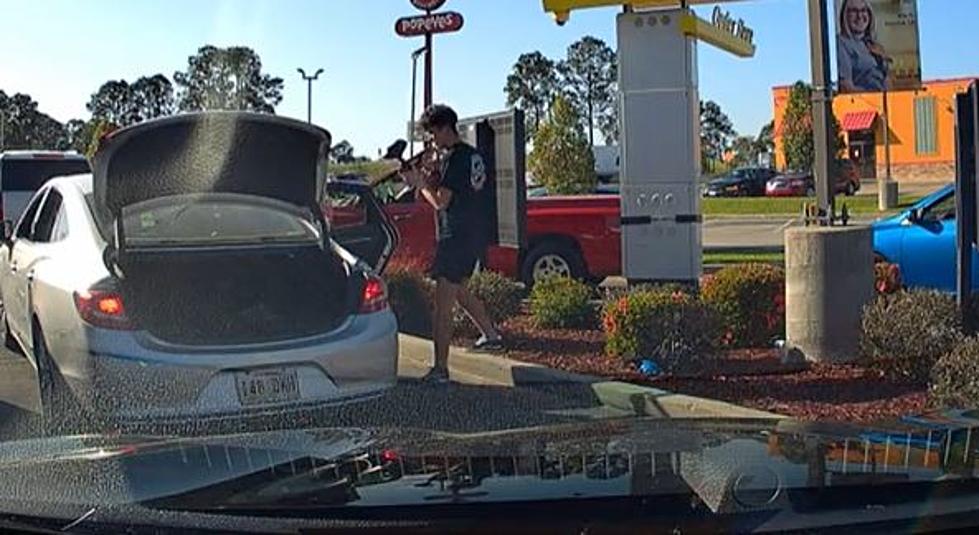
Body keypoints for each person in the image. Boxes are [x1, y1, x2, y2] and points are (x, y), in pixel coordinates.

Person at [402, 104, 504, 383]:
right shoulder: (472, 156)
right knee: (458, 289)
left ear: (444, 128)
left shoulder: (456, 159)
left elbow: (441, 202)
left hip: (455, 235)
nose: (431, 139)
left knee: (442, 303)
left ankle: (440, 369)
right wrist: (433, 171)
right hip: (473, 233)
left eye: (433, 133)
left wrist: (420, 184)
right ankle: (491, 334)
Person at [837, 0, 890, 92]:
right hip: (863, 104)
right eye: (854, 11)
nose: (859, 16)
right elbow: (846, 87)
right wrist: (873, 96)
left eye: (863, 10)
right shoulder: (842, 43)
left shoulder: (874, 45)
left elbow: (888, 82)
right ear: (845, 15)